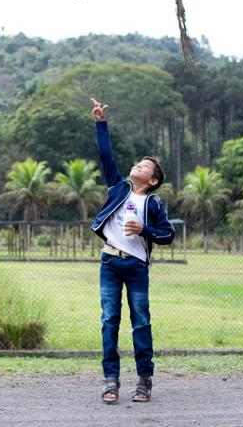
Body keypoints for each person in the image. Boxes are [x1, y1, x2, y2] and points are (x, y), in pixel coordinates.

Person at [89, 97, 176, 405]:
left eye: (145, 166)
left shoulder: (152, 203)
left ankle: (144, 380)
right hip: (110, 263)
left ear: (152, 180)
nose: (139, 165)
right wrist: (100, 122)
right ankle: (110, 380)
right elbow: (105, 155)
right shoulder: (118, 187)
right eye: (139, 163)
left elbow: (168, 235)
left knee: (140, 321)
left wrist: (145, 230)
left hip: (137, 267)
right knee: (109, 319)